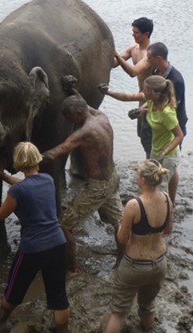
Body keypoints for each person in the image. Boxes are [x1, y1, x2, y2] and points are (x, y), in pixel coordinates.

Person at [0, 142, 71, 333]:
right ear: (37, 159)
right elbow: (29, 185)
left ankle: (0, 320)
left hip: (32, 249)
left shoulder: (17, 191)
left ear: (19, 163)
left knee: (14, 289)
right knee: (58, 296)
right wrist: (5, 177)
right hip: (57, 243)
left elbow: (0, 214)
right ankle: (63, 330)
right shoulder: (48, 180)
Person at [42, 95, 124, 268]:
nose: (67, 121)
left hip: (97, 187)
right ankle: (122, 260)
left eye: (69, 118)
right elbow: (86, 104)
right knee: (119, 222)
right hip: (112, 178)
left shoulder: (84, 133)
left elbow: (56, 153)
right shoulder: (102, 117)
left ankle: (72, 268)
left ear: (79, 114)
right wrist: (72, 90)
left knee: (64, 225)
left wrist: (28, 158)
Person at [104, 159, 174, 333]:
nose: (136, 177)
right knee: (148, 306)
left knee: (118, 313)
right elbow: (167, 230)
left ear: (143, 179)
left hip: (134, 265)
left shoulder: (134, 204)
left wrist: (121, 226)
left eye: (137, 174)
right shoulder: (167, 199)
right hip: (159, 264)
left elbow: (121, 238)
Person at [99, 75, 184, 204]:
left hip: (168, 155)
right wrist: (108, 92)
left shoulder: (167, 113)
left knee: (161, 189)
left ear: (156, 93)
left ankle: (166, 214)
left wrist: (164, 152)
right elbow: (127, 97)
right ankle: (158, 209)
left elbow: (179, 135)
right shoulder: (150, 101)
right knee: (152, 183)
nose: (143, 92)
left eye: (146, 90)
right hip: (156, 151)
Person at [147, 42, 188, 204]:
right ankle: (168, 202)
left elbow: (172, 108)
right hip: (159, 123)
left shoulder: (176, 79)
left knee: (170, 165)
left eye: (149, 57)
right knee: (166, 167)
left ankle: (169, 202)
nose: (147, 60)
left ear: (158, 58)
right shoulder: (156, 71)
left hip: (173, 125)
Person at [113, 17, 154, 157]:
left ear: (146, 34)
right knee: (142, 133)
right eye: (133, 31)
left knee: (149, 134)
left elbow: (133, 72)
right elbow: (114, 63)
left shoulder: (150, 54)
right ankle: (149, 161)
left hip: (152, 98)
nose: (133, 34)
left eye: (136, 32)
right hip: (141, 96)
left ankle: (150, 164)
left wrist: (116, 54)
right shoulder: (133, 48)